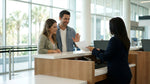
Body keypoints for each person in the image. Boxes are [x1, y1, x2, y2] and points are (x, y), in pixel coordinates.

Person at [87, 17, 132, 84]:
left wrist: (93, 50)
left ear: (113, 27)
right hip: (125, 73)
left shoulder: (114, 40)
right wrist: (101, 50)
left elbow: (105, 57)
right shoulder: (125, 39)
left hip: (117, 76)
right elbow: (114, 53)